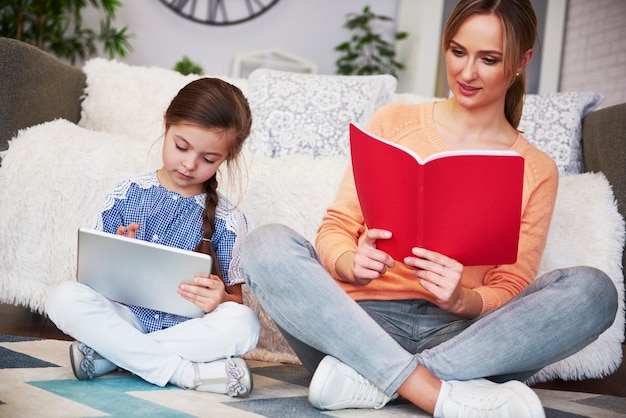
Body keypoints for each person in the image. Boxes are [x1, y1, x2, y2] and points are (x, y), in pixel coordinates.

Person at [239, 0, 618, 416]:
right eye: (457, 52)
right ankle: (434, 393)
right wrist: (350, 262)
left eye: (488, 59)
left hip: (462, 340)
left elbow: (510, 285)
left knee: (594, 292)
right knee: (265, 244)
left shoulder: (536, 169)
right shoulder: (393, 122)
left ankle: (374, 381)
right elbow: (336, 226)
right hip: (356, 326)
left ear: (521, 62)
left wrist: (463, 300)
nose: (466, 73)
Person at [46, 77, 260, 398]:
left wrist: (219, 299)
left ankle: (111, 357)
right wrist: (113, 258)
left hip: (187, 329)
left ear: (228, 156)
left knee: (244, 324)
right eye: (181, 147)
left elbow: (235, 302)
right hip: (124, 317)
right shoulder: (126, 194)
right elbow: (86, 280)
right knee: (62, 298)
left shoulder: (229, 221)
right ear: (166, 124)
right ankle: (185, 373)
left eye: (208, 159)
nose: (189, 164)